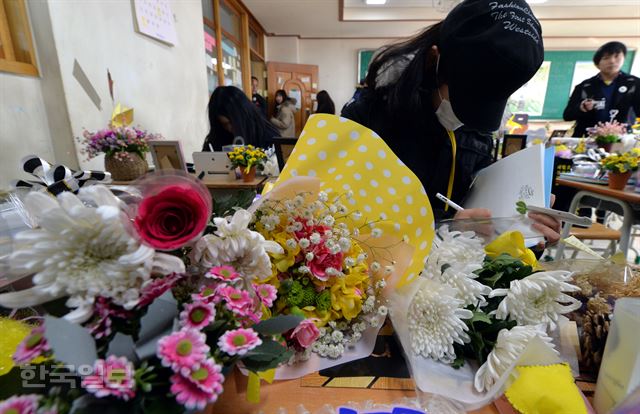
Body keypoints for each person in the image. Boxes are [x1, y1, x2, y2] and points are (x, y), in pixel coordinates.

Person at [341, 0, 560, 245]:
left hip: (457, 275)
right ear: (434, 60)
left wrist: (523, 232)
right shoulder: (370, 119)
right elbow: (344, 217)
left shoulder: (477, 133)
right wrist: (446, 229)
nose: (466, 120)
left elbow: (479, 209)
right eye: (465, 98)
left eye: (488, 104)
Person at [563, 41, 640, 138]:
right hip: (587, 138)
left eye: (616, 56)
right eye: (606, 58)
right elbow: (567, 115)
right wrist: (582, 107)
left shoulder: (634, 84)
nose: (612, 61)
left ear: (623, 58)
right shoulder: (584, 86)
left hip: (621, 139)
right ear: (597, 64)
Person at [202, 86, 280, 151]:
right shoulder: (218, 135)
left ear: (244, 116)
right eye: (224, 124)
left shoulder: (268, 136)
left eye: (231, 123)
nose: (229, 128)